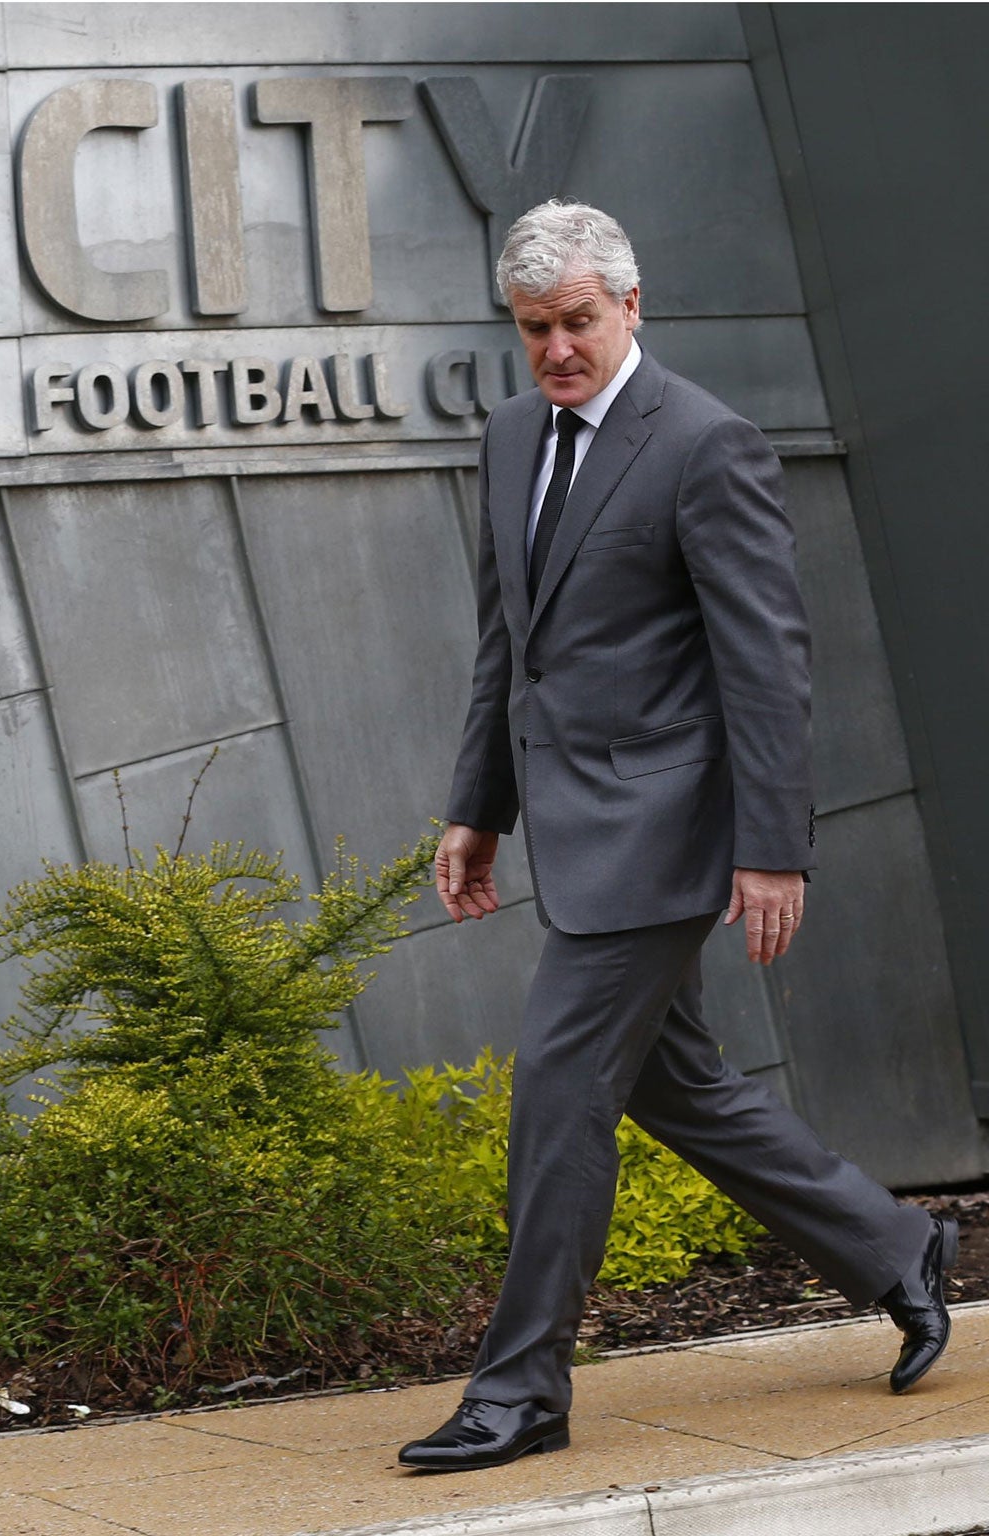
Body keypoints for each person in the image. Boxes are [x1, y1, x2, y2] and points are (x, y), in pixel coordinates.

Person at [398, 200, 957, 1473]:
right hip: (570, 822)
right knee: (670, 1082)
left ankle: (519, 1390)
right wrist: (477, 808)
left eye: (577, 323)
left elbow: (764, 665)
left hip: (664, 829)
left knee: (555, 1092)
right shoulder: (503, 439)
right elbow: (510, 648)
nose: (555, 350)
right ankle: (893, 1247)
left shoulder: (706, 445)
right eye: (534, 328)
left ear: (631, 307)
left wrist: (770, 846)